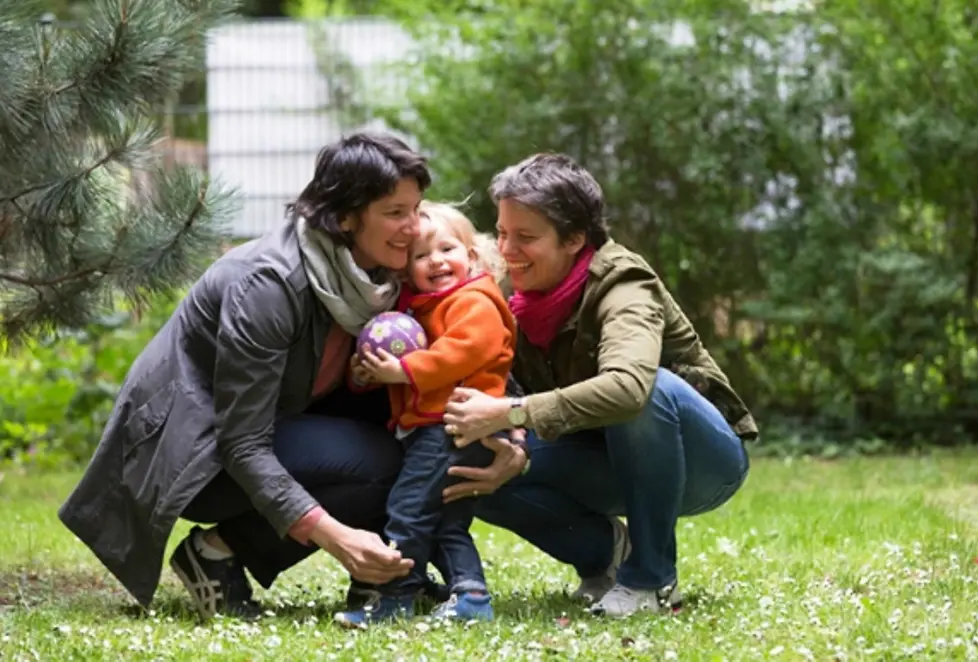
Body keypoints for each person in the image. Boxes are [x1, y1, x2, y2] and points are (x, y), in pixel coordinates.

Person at [57, 132, 452, 620]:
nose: (414, 228)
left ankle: (381, 581)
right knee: (381, 460)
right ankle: (216, 553)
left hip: (268, 430)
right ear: (345, 216)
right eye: (395, 213)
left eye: (416, 209)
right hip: (194, 457)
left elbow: (461, 349)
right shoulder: (268, 283)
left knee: (415, 437)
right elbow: (241, 442)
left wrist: (507, 423)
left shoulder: (376, 275)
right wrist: (337, 538)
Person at [441, 153, 758, 619]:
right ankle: (605, 555)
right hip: (603, 459)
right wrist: (510, 445)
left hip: (701, 463)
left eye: (526, 237)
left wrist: (513, 412)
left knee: (648, 391)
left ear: (574, 239)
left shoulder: (623, 282)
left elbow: (629, 389)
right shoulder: (512, 301)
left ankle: (649, 579)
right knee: (473, 470)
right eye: (503, 232)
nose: (507, 250)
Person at [334, 202, 517, 627]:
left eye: (447, 249)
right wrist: (371, 376)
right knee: (445, 523)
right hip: (438, 430)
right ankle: (471, 597)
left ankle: (395, 597)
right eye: (421, 255)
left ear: (471, 257)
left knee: (408, 508)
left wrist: (404, 370)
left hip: (453, 429)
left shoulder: (475, 300)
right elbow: (419, 375)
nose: (435, 261)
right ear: (406, 270)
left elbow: (464, 351)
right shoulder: (422, 309)